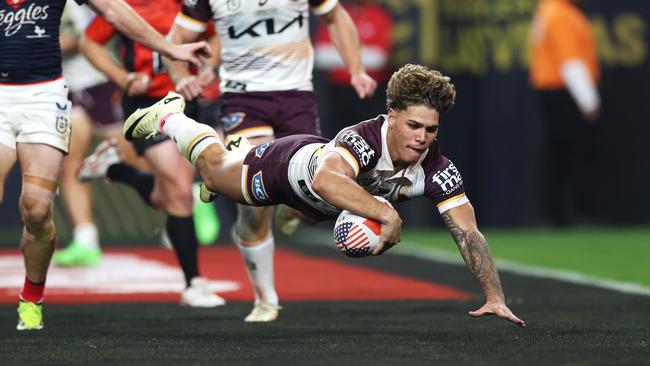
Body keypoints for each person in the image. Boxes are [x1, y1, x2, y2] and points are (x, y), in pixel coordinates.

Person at [122, 64, 526, 327]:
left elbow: (469, 234)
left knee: (232, 181)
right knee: (212, 169)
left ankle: (238, 170)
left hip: (318, 205)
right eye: (414, 125)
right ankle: (170, 116)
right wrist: (388, 215)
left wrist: (494, 296)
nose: (422, 138)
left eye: (431, 130)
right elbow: (326, 182)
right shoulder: (363, 138)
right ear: (392, 117)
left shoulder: (437, 167)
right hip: (286, 170)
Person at [0, 0, 210, 331]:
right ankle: (191, 276)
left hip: (43, 98)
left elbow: (113, 10)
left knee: (37, 211)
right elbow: (94, 35)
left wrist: (172, 49)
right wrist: (128, 77)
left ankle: (32, 298)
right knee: (174, 189)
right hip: (9, 96)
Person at [165, 0, 377, 322]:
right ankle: (265, 299)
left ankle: (292, 209)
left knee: (315, 201)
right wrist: (181, 78)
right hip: (243, 99)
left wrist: (356, 68)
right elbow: (176, 39)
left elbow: (336, 17)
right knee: (254, 204)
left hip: (296, 99)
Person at [76, 0, 224, 307]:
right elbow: (89, 42)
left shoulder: (186, 4)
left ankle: (115, 170)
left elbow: (213, 35)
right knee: (181, 193)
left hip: (189, 99)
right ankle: (194, 283)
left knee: (167, 196)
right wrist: (123, 78)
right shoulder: (125, 5)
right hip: (148, 105)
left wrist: (209, 69)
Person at [54, 1, 136, 267]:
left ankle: (191, 196)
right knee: (71, 163)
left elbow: (84, 36)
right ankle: (86, 239)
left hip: (100, 80)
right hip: (63, 86)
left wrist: (31, 46)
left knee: (136, 154)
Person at [529, 0, 601, 226]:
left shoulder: (549, 10)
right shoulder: (561, 14)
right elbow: (569, 60)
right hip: (562, 92)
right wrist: (588, 100)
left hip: (552, 91)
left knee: (556, 154)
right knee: (570, 154)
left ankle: (557, 213)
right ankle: (572, 213)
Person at [314, 0, 394, 138]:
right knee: (335, 140)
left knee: (372, 140)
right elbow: (321, 55)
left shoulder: (378, 16)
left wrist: (341, 52)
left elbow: (379, 58)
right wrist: (361, 52)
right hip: (338, 93)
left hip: (371, 94)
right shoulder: (337, 15)